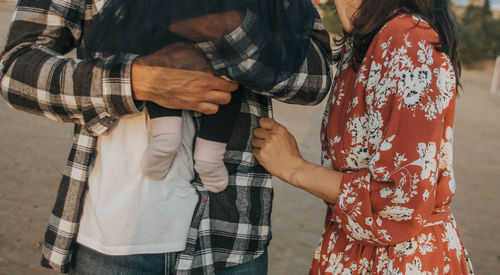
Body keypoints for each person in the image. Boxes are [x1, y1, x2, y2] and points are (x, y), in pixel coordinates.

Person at [0, 0, 332, 274]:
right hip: (114, 236)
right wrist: (136, 82)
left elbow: (315, 77)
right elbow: (16, 70)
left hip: (230, 238)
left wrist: (228, 30)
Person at [252, 0, 475, 274]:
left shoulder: (408, 39)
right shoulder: (367, 38)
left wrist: (295, 168)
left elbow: (402, 198)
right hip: (353, 249)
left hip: (400, 259)